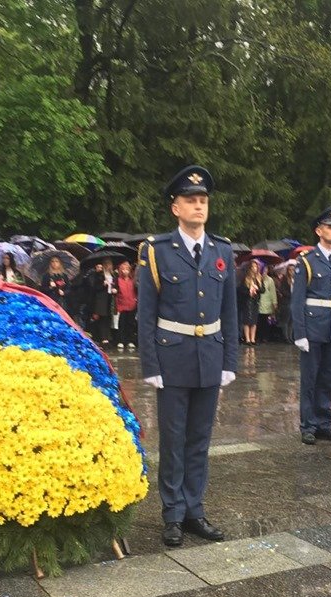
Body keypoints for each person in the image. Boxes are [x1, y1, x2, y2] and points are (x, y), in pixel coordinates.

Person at [136, 165, 238, 547]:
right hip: (172, 357)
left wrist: (230, 360)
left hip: (209, 356)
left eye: (203, 200)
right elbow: (146, 311)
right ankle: (173, 513)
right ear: (175, 208)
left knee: (200, 439)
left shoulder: (222, 250)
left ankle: (195, 509)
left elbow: (230, 311)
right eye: (190, 200)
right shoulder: (157, 251)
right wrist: (150, 365)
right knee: (174, 439)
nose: (198, 206)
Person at [291, 206, 331, 445]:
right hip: (313, 327)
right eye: (330, 227)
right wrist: (300, 332)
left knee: (327, 378)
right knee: (310, 379)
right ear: (318, 231)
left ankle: (324, 423)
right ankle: (308, 425)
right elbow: (297, 300)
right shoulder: (307, 261)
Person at [238, 259, 265, 345]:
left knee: (254, 320)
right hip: (247, 301)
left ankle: (253, 339)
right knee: (247, 320)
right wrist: (249, 290)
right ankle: (247, 339)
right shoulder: (245, 278)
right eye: (253, 266)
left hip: (255, 301)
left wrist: (257, 289)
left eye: (256, 266)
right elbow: (241, 289)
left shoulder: (259, 278)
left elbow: (263, 289)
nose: (255, 268)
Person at [114, 260, 138, 349]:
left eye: (127, 269)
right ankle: (121, 341)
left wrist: (136, 299)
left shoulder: (133, 280)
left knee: (131, 323)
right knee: (122, 323)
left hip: (132, 304)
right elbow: (115, 289)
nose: (125, 271)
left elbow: (136, 290)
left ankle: (130, 341)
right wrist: (114, 290)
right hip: (122, 304)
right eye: (123, 269)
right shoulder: (118, 280)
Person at [257, 264, 278, 343]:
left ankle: (265, 337)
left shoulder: (270, 280)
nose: (265, 272)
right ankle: (258, 337)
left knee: (266, 321)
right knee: (259, 321)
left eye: (266, 270)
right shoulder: (257, 279)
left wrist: (274, 302)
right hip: (259, 302)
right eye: (263, 270)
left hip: (267, 303)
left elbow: (273, 292)